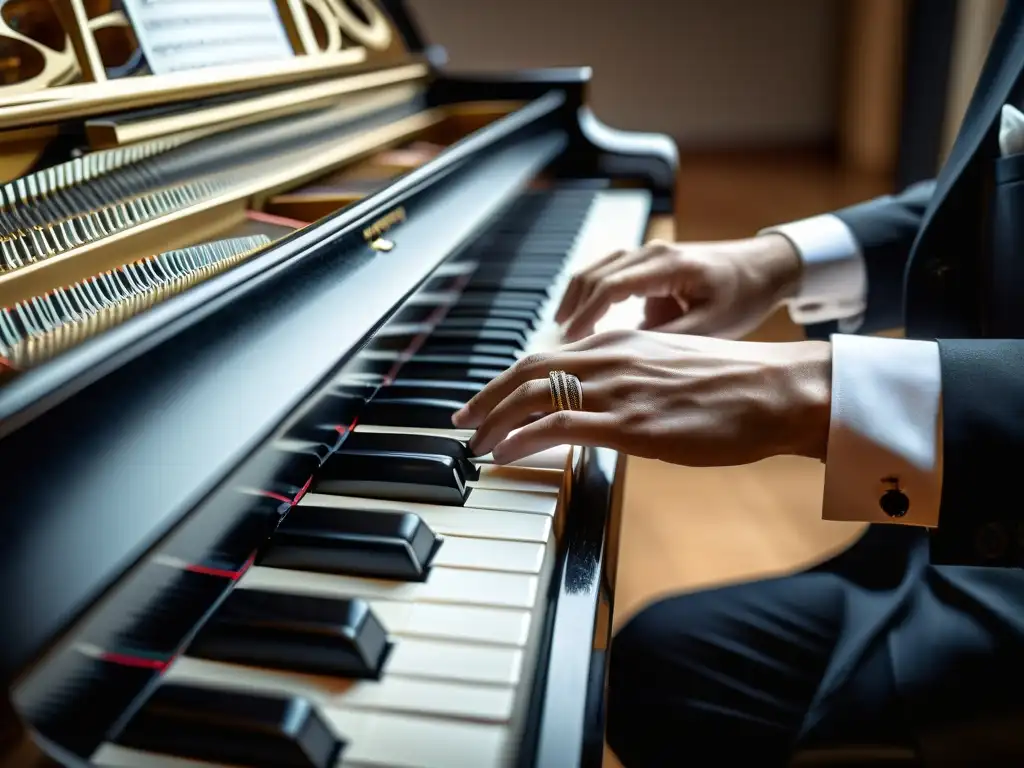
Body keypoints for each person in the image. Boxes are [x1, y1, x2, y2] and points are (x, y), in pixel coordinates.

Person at [450, 1, 1024, 764]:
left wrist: (811, 390)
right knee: (661, 666)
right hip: (964, 525)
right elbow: (991, 192)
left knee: (661, 683)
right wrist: (781, 261)